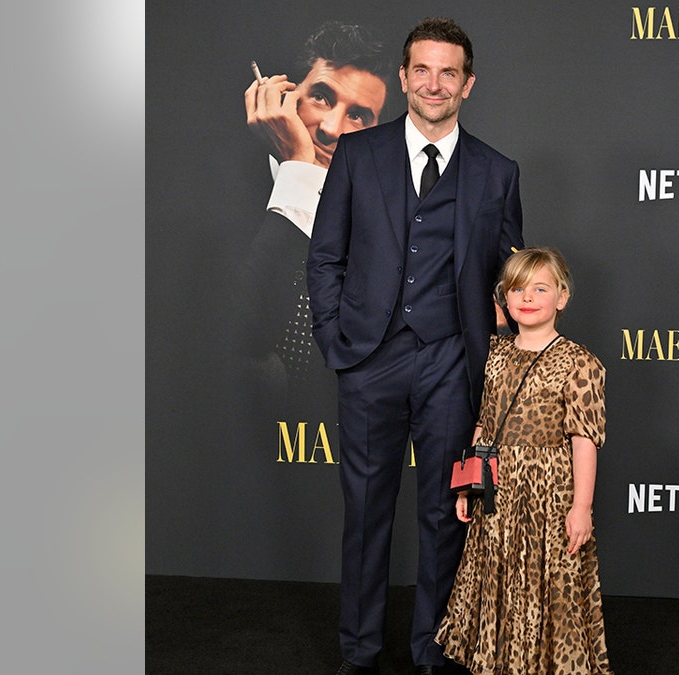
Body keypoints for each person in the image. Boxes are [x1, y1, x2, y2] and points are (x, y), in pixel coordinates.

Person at [306, 17, 524, 675]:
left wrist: (498, 356)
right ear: (403, 78)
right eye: (421, 70)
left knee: (446, 512)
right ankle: (361, 650)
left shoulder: (497, 172)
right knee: (367, 513)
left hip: (453, 363)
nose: (434, 84)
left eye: (448, 72)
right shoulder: (356, 154)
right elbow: (325, 258)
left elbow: (510, 281)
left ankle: (434, 647)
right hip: (370, 359)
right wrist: (336, 339)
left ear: (468, 83)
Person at [435, 247, 612, 674]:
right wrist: (468, 484)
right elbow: (485, 423)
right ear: (505, 298)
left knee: (544, 584)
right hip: (498, 492)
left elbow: (584, 439)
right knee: (498, 580)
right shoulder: (494, 355)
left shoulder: (579, 362)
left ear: (562, 297)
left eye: (540, 288)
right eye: (517, 288)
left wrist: (581, 507)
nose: (527, 297)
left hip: (548, 495)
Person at [238, 21, 392, 399]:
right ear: (285, 95)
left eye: (358, 116)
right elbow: (243, 344)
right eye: (322, 96)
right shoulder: (205, 198)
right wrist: (299, 171)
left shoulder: (386, 228)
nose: (330, 128)